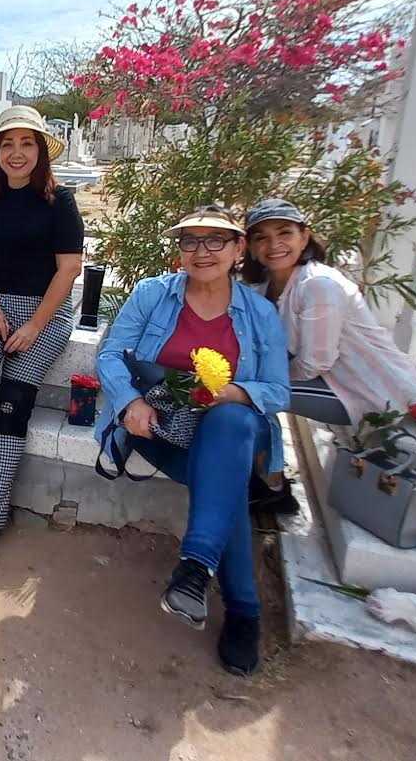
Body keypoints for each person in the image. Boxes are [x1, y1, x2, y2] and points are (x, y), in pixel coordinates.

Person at [93, 206, 288, 676]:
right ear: (180, 251)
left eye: (215, 241)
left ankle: (198, 571)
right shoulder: (153, 295)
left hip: (232, 432)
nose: (202, 252)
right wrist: (130, 403)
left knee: (231, 425)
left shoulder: (259, 314)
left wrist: (233, 392)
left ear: (239, 250)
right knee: (227, 487)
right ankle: (242, 612)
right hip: (158, 426)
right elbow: (110, 355)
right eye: (191, 241)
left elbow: (278, 391)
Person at [0, 105, 84, 572]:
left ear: (41, 151)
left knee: (11, 403)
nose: (16, 152)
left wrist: (32, 326)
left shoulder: (60, 201)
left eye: (27, 143)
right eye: (8, 143)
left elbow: (69, 269)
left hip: (44, 314)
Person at [241, 198, 416, 426]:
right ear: (250, 247)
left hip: (369, 392)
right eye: (261, 237)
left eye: (285, 233)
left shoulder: (319, 285)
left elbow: (314, 364)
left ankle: (261, 459)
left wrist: (264, 377)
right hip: (326, 382)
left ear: (304, 237)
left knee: (244, 394)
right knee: (244, 389)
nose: (274, 244)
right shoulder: (262, 289)